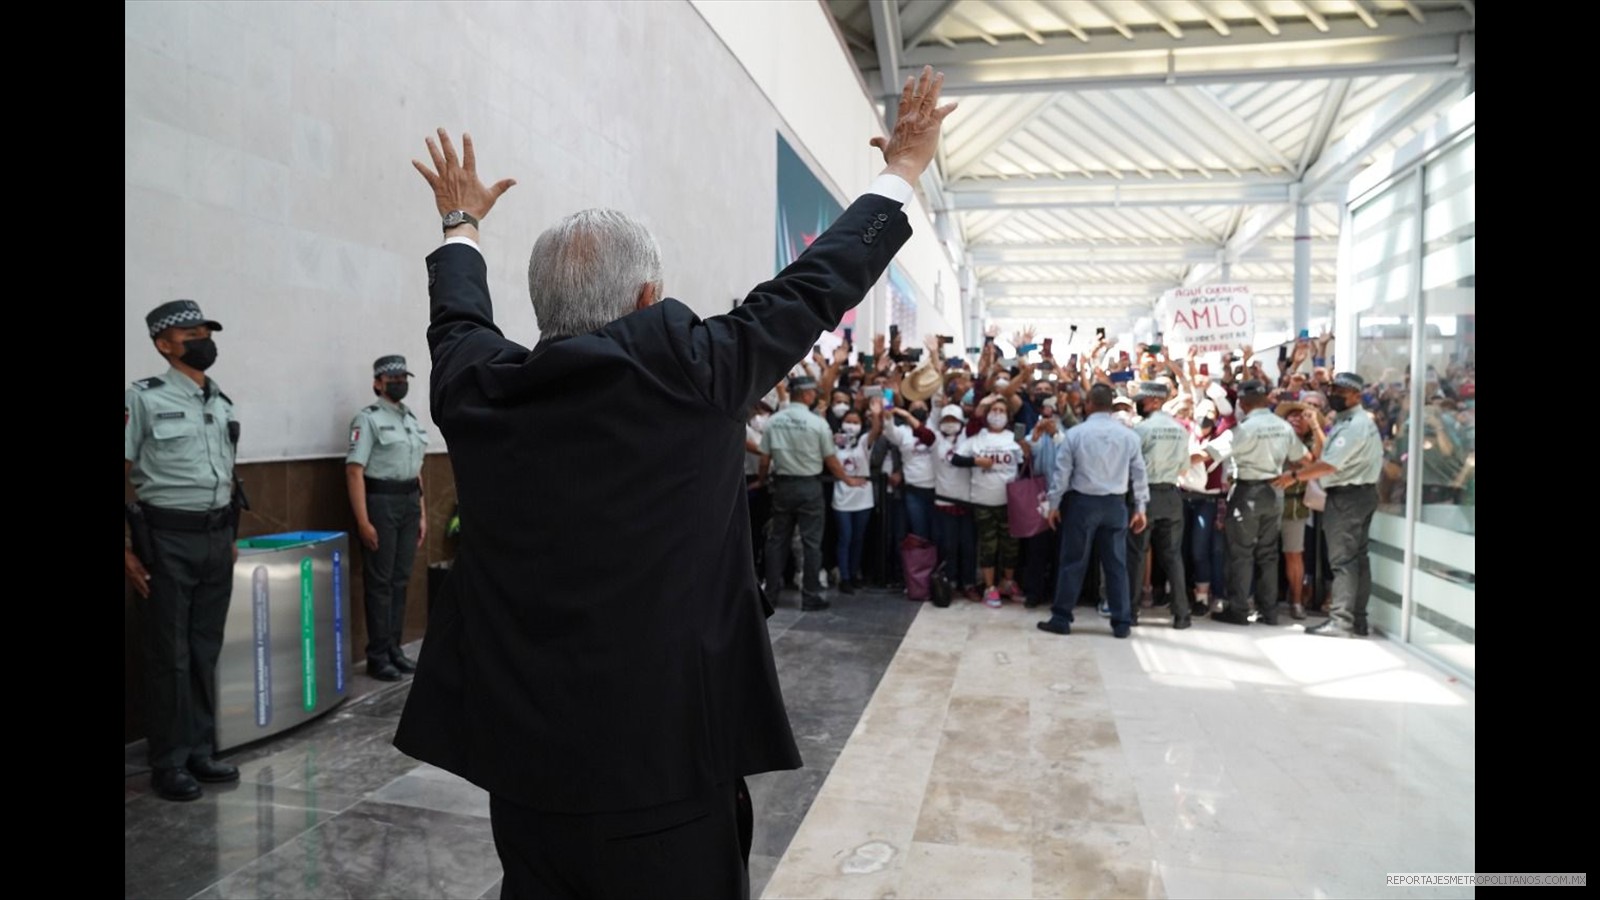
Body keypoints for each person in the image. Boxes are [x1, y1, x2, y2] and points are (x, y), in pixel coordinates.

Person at [393, 66, 955, 899]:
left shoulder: (479, 391)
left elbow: (458, 318)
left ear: (543, 306)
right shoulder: (699, 373)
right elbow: (817, 283)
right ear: (650, 295)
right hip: (664, 770)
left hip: (525, 768)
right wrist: (901, 171)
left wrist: (460, 223)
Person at [124, 300, 242, 802]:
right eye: (190, 331)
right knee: (168, 655)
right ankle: (168, 761)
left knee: (202, 650)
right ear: (163, 343)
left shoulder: (221, 401)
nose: (202, 338)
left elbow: (228, 476)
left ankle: (199, 750)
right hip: (165, 538)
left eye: (205, 330)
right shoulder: (142, 399)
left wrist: (229, 538)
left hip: (216, 538)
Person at [1274, 372, 1384, 637]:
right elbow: (1327, 453)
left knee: (1344, 561)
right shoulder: (1349, 421)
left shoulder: (1355, 425)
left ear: (1357, 395)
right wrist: (1315, 427)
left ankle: (1341, 621)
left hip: (1348, 498)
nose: (1334, 394)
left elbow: (1328, 464)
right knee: (1358, 559)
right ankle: (1357, 619)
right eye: (1332, 389)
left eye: (1341, 391)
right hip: (1358, 495)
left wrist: (1294, 476)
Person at [1037, 384, 1149, 639]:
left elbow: (1061, 473)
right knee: (1116, 564)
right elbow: (1140, 474)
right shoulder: (1128, 436)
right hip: (1115, 504)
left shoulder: (1075, 435)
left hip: (1082, 504)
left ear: (1088, 404)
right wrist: (1140, 507)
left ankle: (1062, 617)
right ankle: (1121, 622)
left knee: (1073, 561)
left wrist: (1054, 505)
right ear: (1111, 405)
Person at [345, 355, 429, 682]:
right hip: (380, 502)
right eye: (392, 377)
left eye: (402, 376)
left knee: (400, 579)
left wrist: (421, 513)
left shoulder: (410, 419)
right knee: (379, 583)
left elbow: (417, 472)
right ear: (378, 382)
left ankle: (394, 649)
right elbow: (354, 472)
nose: (399, 382)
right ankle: (378, 655)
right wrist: (363, 521)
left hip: (409, 502)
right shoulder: (367, 420)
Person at [1200, 380, 1309, 626]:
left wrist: (1182, 461)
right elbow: (1304, 458)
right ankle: (1269, 612)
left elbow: (1208, 453)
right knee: (1268, 554)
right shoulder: (1283, 427)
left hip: (1247, 492)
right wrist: (1291, 478)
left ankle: (1238, 610)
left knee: (1241, 553)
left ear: (1241, 402)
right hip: (1274, 493)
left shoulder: (1244, 429)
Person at [761, 375, 866, 609]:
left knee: (777, 541)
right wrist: (847, 479)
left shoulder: (774, 421)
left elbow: (764, 459)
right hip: (809, 486)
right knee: (811, 543)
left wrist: (761, 480)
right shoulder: (817, 423)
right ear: (807, 395)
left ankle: (770, 595)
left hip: (783, 485)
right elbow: (831, 460)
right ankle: (810, 595)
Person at [1127, 382, 1193, 629]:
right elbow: (1185, 468)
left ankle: (1131, 612)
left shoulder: (1141, 429)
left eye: (1141, 400)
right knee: (1173, 557)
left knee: (1137, 555)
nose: (1138, 404)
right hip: (1172, 494)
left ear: (1154, 401)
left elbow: (1131, 465)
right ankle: (1182, 615)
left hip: (1145, 496)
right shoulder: (1180, 430)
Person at [1274, 398, 1323, 620]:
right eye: (1291, 415)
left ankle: (1296, 601)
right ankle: (1263, 599)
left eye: (1300, 415)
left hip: (1295, 504)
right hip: (1270, 500)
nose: (1295, 418)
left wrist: (1315, 425)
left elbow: (1319, 460)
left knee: (1294, 554)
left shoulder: (1314, 440)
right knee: (1263, 553)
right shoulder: (1275, 438)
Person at [831, 400, 882, 594]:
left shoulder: (863, 442)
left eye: (855, 421)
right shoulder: (834, 441)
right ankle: (844, 577)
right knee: (845, 536)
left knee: (858, 538)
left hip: (863, 497)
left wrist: (876, 414)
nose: (851, 424)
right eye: (848, 421)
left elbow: (876, 431)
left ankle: (854, 573)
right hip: (842, 496)